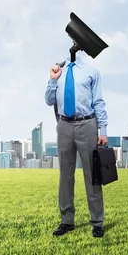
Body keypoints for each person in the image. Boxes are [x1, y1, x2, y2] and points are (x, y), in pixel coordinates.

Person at [45, 53, 108, 238]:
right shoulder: (59, 72)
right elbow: (49, 100)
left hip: (87, 124)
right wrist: (52, 80)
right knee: (65, 175)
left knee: (92, 174)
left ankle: (97, 222)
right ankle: (67, 221)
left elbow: (98, 102)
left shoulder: (91, 72)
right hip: (64, 125)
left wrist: (102, 129)